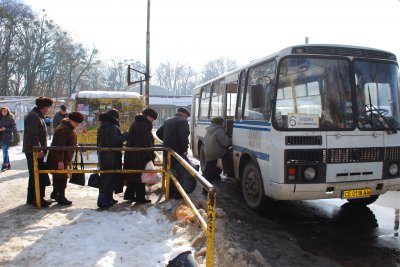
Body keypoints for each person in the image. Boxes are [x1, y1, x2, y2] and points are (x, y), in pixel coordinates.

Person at [46, 112, 84, 205]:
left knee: (59, 176)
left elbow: (68, 141)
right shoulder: (63, 129)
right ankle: (61, 196)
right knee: (62, 176)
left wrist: (75, 145)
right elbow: (59, 146)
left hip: (63, 157)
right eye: (76, 123)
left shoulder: (68, 128)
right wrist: (60, 161)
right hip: (60, 158)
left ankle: (55, 193)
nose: (77, 125)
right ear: (71, 120)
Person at [23, 96, 54, 207]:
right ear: (44, 107)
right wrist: (39, 149)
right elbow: (33, 135)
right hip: (33, 151)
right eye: (48, 107)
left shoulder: (38, 116)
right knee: (37, 174)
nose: (49, 109)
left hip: (36, 150)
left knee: (36, 174)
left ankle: (33, 198)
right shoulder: (33, 116)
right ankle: (37, 198)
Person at [123, 108, 158, 203]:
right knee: (140, 176)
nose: (152, 120)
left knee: (134, 175)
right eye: (152, 118)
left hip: (133, 154)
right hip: (141, 155)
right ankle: (140, 198)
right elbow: (146, 142)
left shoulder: (136, 123)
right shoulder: (144, 125)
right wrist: (150, 155)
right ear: (148, 116)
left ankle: (129, 195)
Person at [97, 109, 128, 208]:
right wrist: (125, 135)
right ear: (115, 117)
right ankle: (102, 200)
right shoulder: (113, 127)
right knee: (109, 178)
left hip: (103, 155)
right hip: (112, 157)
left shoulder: (102, 126)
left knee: (106, 177)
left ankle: (108, 198)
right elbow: (116, 141)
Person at [203, 117, 232, 193]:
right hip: (216, 153)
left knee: (208, 170)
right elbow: (226, 143)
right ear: (220, 123)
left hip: (207, 152)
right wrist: (233, 139)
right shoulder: (219, 130)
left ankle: (206, 186)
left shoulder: (208, 130)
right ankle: (229, 172)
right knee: (229, 153)